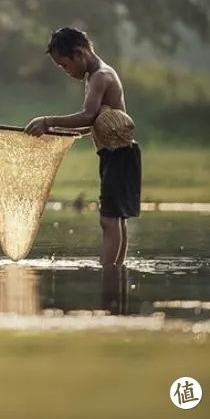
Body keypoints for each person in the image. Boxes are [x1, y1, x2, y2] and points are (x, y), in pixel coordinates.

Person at [25, 27, 141, 266]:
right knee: (116, 218)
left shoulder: (101, 76)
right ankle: (117, 274)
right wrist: (56, 133)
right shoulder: (95, 76)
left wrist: (48, 121)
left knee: (109, 220)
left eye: (64, 65)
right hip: (117, 154)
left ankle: (109, 272)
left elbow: (88, 116)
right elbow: (92, 124)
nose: (66, 72)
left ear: (79, 54)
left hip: (119, 154)